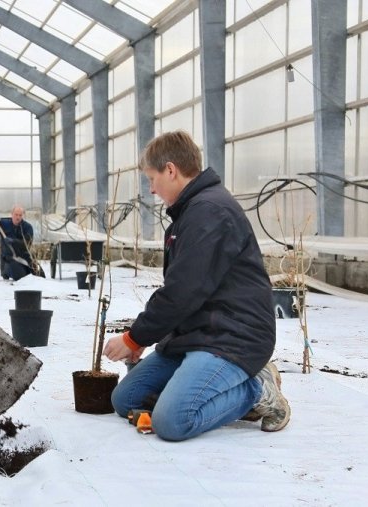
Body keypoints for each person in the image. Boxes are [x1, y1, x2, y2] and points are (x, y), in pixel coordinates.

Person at [103, 130, 290, 442]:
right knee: (126, 400)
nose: (151, 189)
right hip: (197, 334)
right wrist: (145, 339)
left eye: (152, 179)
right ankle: (203, 389)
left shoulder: (209, 212)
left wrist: (135, 338)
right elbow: (184, 292)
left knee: (172, 421)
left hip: (232, 337)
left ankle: (257, 387)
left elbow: (182, 292)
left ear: (171, 170)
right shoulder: (192, 211)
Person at [0, 203, 34, 281]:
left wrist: (13, 241)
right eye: (16, 215)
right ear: (12, 214)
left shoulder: (27, 227)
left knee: (37, 276)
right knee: (19, 275)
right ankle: (6, 272)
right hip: (8, 260)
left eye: (20, 215)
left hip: (23, 259)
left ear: (23, 215)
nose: (18, 217)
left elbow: (27, 243)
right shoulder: (4, 224)